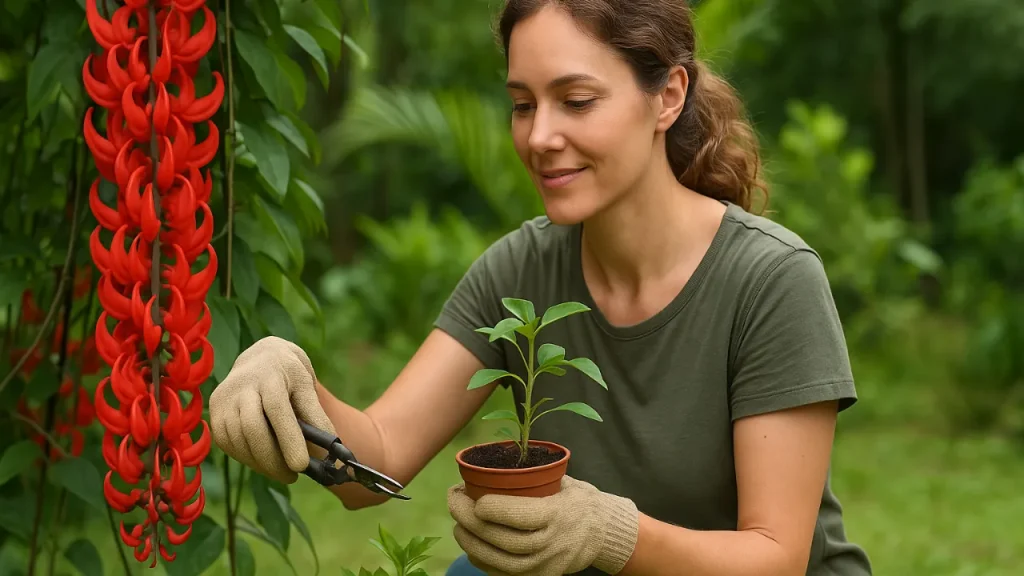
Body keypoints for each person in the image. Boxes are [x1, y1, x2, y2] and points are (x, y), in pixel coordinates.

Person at [209, 0, 874, 574]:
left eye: (576, 101)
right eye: (523, 105)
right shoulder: (520, 271)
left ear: (669, 96)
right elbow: (375, 462)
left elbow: (775, 558)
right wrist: (288, 382)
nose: (540, 136)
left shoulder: (770, 280)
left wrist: (609, 533)